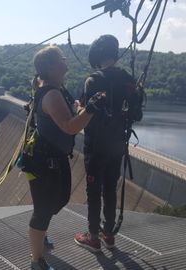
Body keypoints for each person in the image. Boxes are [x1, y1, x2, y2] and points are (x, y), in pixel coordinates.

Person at [27, 45, 107, 270]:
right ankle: (36, 260)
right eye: (62, 58)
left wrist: (84, 107)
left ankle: (40, 236)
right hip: (46, 162)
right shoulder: (52, 94)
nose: (66, 60)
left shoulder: (56, 88)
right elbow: (70, 127)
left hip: (53, 159)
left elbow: (71, 114)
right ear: (52, 66)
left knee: (58, 201)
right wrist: (91, 110)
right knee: (43, 210)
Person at [74, 35, 142, 253]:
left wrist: (77, 107)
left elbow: (86, 113)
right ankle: (109, 235)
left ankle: (93, 237)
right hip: (118, 145)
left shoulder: (93, 80)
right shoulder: (128, 79)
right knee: (110, 189)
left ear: (97, 55)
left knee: (93, 191)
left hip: (96, 147)